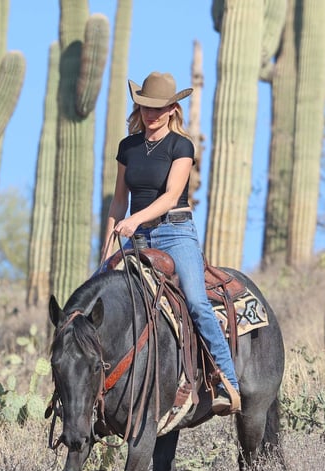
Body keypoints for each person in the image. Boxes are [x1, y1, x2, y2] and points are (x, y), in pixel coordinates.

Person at [101, 71, 241, 416]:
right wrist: (105, 254)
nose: (151, 114)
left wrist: (134, 220)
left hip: (174, 233)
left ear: (172, 109)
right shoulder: (128, 147)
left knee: (195, 301)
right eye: (145, 106)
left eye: (159, 108)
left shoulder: (182, 146)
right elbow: (119, 202)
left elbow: (171, 196)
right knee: (105, 301)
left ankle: (228, 383)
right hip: (138, 237)